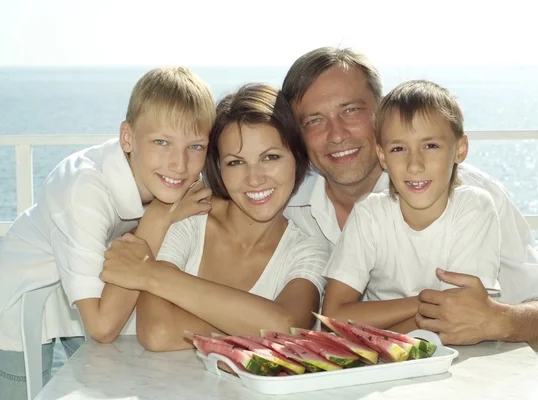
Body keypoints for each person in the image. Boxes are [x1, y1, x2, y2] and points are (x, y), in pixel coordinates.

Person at [282, 47, 538, 352]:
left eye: (350, 110)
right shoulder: (282, 208)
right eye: (314, 121)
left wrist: (500, 320)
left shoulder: (472, 198)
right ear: (297, 136)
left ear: (381, 114)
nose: (337, 134)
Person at [0, 67, 215, 399]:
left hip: (85, 289)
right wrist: (156, 220)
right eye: (161, 142)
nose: (179, 163)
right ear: (127, 138)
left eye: (196, 146)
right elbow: (101, 327)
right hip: (19, 302)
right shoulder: (84, 191)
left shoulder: (161, 178)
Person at [100, 84, 329, 352]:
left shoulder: (308, 250)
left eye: (271, 157)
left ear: (297, 159)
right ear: (218, 168)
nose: (254, 179)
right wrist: (255, 327)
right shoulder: (188, 219)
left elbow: (288, 328)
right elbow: (158, 332)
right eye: (235, 162)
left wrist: (149, 273)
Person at [322, 79, 502, 332]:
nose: (414, 165)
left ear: (460, 149)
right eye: (398, 149)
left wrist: (378, 330)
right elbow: (334, 316)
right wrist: (423, 302)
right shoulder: (369, 214)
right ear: (382, 156)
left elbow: (461, 315)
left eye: (430, 146)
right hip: (381, 364)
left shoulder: (473, 208)